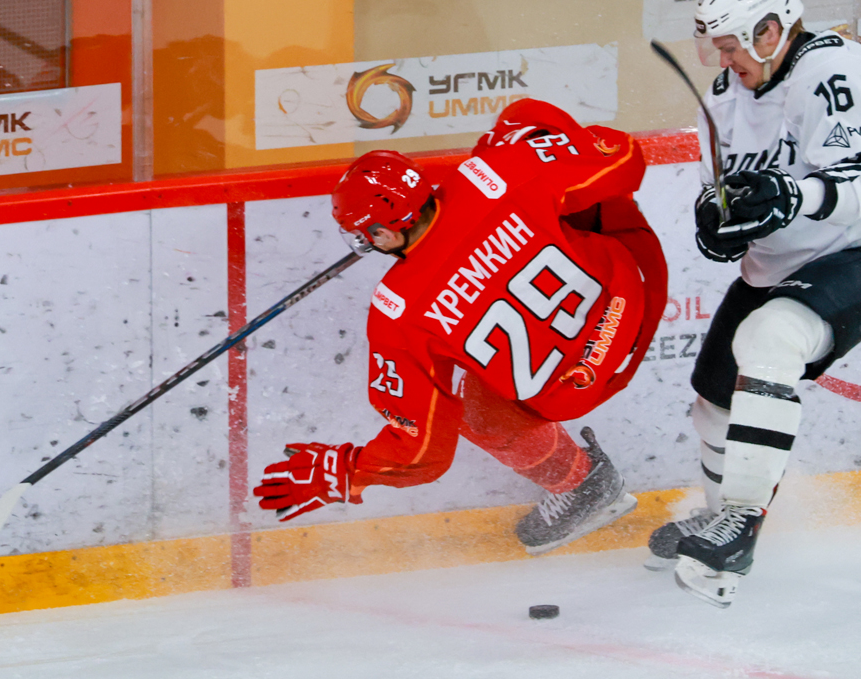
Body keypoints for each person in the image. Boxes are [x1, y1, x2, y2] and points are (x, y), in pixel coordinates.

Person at [254, 98, 668, 555]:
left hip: (572, 387)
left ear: (385, 233)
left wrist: (350, 468)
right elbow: (624, 158)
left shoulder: (397, 311)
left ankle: (583, 484)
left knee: (469, 410)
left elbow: (422, 451)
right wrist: (528, 139)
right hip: (636, 291)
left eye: (362, 233)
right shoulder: (491, 175)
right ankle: (586, 484)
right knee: (528, 126)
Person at [646, 0, 861, 607]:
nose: (723, 60)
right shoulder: (723, 97)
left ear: (770, 31)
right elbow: (729, 194)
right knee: (713, 400)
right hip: (776, 271)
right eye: (716, 47)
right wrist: (720, 223)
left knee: (769, 339)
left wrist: (793, 196)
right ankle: (720, 520)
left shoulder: (833, 70)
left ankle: (741, 526)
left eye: (732, 45)